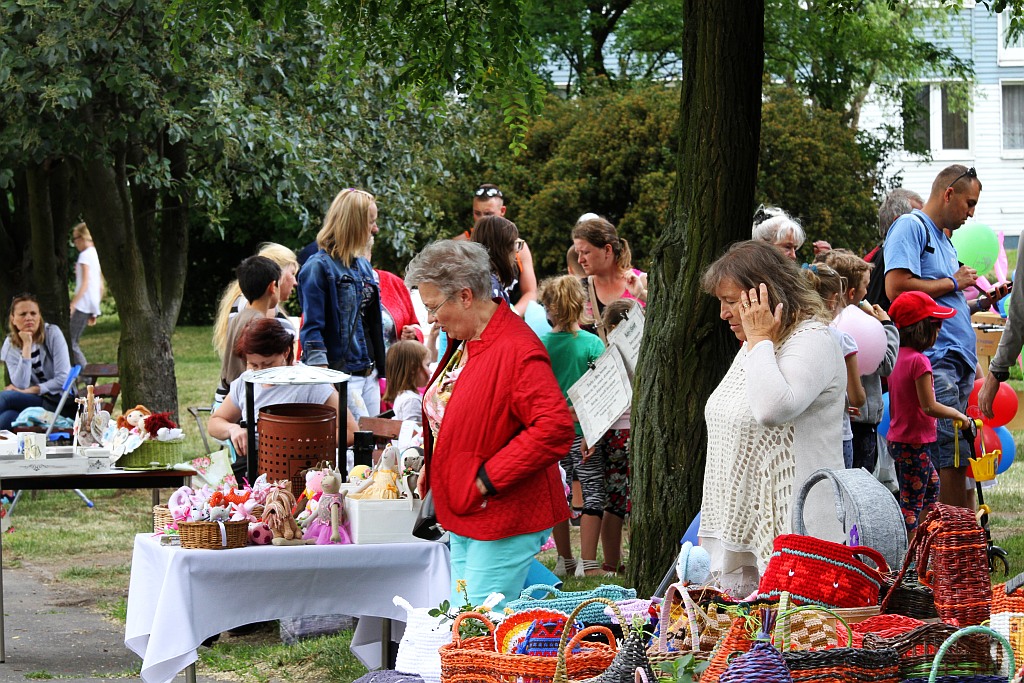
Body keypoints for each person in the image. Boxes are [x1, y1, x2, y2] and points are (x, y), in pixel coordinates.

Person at [405, 240, 573, 608]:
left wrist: (485, 479)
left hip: (502, 515)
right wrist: (436, 464)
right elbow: (460, 411)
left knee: (477, 628)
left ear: (465, 296)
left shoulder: (516, 348)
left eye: (433, 307)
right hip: (468, 508)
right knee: (466, 622)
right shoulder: (466, 338)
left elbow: (554, 428)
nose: (431, 318)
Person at [699, 240, 846, 596]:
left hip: (801, 532)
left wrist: (760, 338)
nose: (723, 313)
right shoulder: (758, 344)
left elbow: (771, 409)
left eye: (732, 302)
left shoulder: (813, 339)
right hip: (749, 530)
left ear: (765, 296)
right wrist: (759, 340)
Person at [884, 165, 982, 509]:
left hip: (956, 362)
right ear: (948, 193)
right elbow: (896, 287)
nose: (971, 213)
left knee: (960, 453)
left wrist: (978, 297)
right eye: (969, 203)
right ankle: (949, 546)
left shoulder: (942, 238)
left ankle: (962, 539)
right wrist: (954, 282)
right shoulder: (911, 227)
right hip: (936, 361)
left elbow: (946, 298)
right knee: (948, 454)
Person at [886, 291, 972, 541]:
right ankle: (911, 561)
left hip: (900, 440)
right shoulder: (920, 362)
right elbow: (929, 406)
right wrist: (959, 415)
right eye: (937, 325)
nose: (940, 330)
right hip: (915, 442)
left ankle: (928, 544)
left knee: (931, 488)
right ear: (921, 329)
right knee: (911, 506)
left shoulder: (897, 357)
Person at [208, 317, 357, 459]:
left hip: (299, 463)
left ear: (286, 352)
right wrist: (232, 429)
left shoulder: (310, 382)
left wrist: (306, 443)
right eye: (254, 365)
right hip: (252, 464)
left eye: (268, 364)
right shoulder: (246, 381)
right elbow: (215, 422)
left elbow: (350, 431)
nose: (261, 372)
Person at [538, 275, 607, 577]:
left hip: (551, 435)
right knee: (593, 494)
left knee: (557, 498)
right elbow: (603, 393)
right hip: (587, 434)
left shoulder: (539, 346)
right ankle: (589, 563)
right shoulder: (592, 344)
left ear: (549, 309)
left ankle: (565, 560)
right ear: (580, 305)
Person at [298, 188, 386, 419]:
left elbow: (371, 322)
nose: (375, 228)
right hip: (342, 374)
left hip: (369, 371)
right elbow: (312, 328)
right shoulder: (317, 268)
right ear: (354, 223)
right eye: (371, 222)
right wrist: (324, 378)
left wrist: (382, 368)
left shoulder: (363, 266)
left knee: (373, 442)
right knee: (355, 442)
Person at [825, 249, 899, 472]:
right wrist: (887, 325)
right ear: (851, 293)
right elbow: (886, 364)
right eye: (866, 286)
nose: (868, 293)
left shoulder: (831, 325)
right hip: (862, 422)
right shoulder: (857, 329)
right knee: (860, 481)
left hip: (843, 421)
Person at [802, 263, 866, 469]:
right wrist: (854, 399)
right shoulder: (842, 340)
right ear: (833, 300)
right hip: (836, 435)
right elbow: (857, 397)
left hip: (803, 436)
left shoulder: (792, 336)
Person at [455, 184, 539, 316]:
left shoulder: (518, 247)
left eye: (488, 214)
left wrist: (512, 314)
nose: (482, 219)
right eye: (477, 213)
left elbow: (531, 292)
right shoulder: (458, 245)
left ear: (502, 211)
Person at [212, 242, 300, 363]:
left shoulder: (245, 303)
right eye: (292, 273)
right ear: (277, 275)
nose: (295, 282)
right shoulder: (262, 309)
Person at [598, 298, 635, 575]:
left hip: (613, 434)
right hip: (631, 431)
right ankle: (628, 559)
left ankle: (612, 561)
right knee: (633, 501)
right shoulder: (638, 353)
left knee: (615, 501)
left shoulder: (605, 357)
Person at [1, 294, 74, 430]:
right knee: (6, 418)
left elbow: (64, 379)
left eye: (33, 313)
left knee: (6, 398)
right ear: (13, 319)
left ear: (39, 316)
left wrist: (32, 390)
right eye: (23, 314)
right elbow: (20, 384)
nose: (29, 318)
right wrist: (26, 346)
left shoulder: (53, 333)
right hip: (30, 403)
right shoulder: (10, 344)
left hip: (58, 403)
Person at [215, 256, 281, 405]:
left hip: (229, 395)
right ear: (272, 287)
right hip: (245, 400)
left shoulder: (237, 318)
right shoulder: (260, 324)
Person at [572, 216, 647, 343]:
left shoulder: (641, 282)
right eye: (577, 253)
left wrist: (643, 295)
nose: (580, 260)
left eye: (585, 252)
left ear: (607, 250)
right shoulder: (579, 292)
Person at [864, 188, 924, 309]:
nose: (925, 226)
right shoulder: (888, 259)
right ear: (900, 222)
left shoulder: (876, 256)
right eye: (919, 219)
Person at [69, 223, 102, 368]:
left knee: (70, 342)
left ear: (82, 238)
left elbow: (84, 284)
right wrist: (95, 310)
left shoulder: (84, 256)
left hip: (82, 304)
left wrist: (73, 304)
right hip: (91, 304)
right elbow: (100, 285)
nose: (75, 243)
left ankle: (87, 375)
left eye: (75, 239)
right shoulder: (95, 254)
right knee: (72, 340)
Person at [471, 215, 520, 305]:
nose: (517, 250)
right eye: (515, 243)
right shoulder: (490, 288)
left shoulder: (477, 280)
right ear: (502, 249)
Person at [382, 340, 430, 423]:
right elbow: (411, 431)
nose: (430, 371)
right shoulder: (411, 400)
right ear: (413, 369)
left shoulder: (405, 395)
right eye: (427, 365)